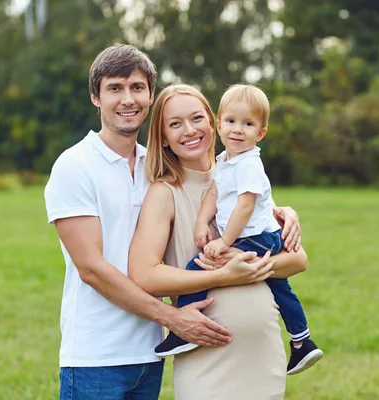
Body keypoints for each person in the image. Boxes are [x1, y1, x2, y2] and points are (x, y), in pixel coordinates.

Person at [44, 44, 288, 399]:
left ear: (150, 96)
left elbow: (234, 195)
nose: (127, 99)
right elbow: (92, 269)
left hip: (148, 352)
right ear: (96, 97)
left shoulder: (155, 166)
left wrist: (285, 212)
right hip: (97, 355)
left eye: (137, 88)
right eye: (115, 88)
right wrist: (172, 318)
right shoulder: (75, 166)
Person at [128, 84, 310, 400]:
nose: (189, 130)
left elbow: (297, 261)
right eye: (175, 124)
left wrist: (253, 261)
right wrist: (226, 275)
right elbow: (145, 276)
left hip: (260, 353)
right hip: (205, 356)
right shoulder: (164, 193)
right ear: (163, 137)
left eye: (197, 118)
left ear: (212, 123)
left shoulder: (240, 173)